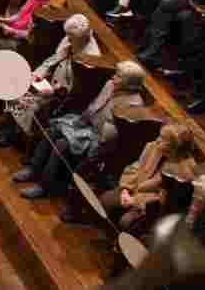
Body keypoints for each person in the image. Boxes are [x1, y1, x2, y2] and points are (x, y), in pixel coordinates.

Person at [17, 60, 149, 198]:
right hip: (86, 124)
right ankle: (33, 168)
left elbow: (114, 134)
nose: (113, 77)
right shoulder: (110, 85)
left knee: (62, 144)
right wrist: (80, 121)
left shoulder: (134, 104)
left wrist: (88, 132)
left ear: (129, 83)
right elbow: (94, 105)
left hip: (100, 139)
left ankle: (43, 186)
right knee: (53, 130)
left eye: (119, 76)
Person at [0, 13, 93, 147]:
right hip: (48, 82)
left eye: (71, 38)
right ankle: (1, 127)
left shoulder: (89, 58)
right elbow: (52, 60)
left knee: (31, 102)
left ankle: (8, 136)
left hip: (61, 97)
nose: (68, 40)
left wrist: (53, 90)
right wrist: (36, 75)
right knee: (20, 87)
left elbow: (75, 90)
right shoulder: (70, 39)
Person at [93, 123, 200, 231]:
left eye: (163, 139)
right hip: (132, 190)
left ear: (174, 147)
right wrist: (125, 189)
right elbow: (135, 168)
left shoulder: (183, 173)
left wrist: (135, 201)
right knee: (104, 200)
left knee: (126, 222)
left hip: (148, 208)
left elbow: (161, 200)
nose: (157, 140)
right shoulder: (153, 147)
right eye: (159, 136)